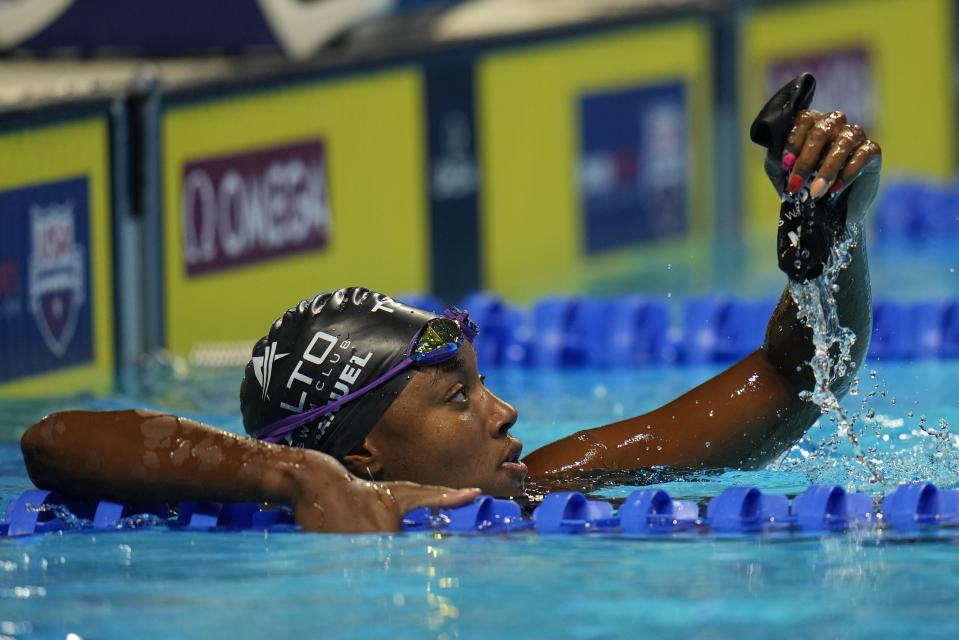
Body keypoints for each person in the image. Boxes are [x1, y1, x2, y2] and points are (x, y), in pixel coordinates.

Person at [19, 77, 882, 533]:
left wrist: (838, 232)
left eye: (479, 384)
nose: (506, 411)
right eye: (456, 396)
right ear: (359, 457)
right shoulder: (247, 519)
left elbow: (797, 375)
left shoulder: (541, 490)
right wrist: (288, 478)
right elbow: (49, 440)